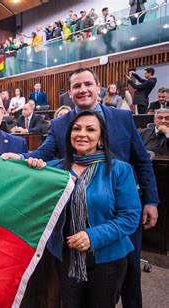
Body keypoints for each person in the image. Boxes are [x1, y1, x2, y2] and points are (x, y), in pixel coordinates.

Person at [4, 68, 159, 308]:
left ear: (99, 88)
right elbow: (42, 156)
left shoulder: (122, 120)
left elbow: (141, 161)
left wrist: (151, 200)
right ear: (70, 92)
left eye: (88, 84)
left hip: (117, 217)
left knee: (129, 280)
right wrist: (22, 158)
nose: (83, 89)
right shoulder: (59, 125)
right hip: (70, 247)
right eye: (77, 86)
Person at [47, 110, 141, 307]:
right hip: (66, 257)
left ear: (100, 139)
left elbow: (130, 217)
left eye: (90, 129)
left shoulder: (119, 170)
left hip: (108, 260)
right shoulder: (54, 170)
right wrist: (31, 163)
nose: (82, 134)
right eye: (76, 129)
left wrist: (93, 236)